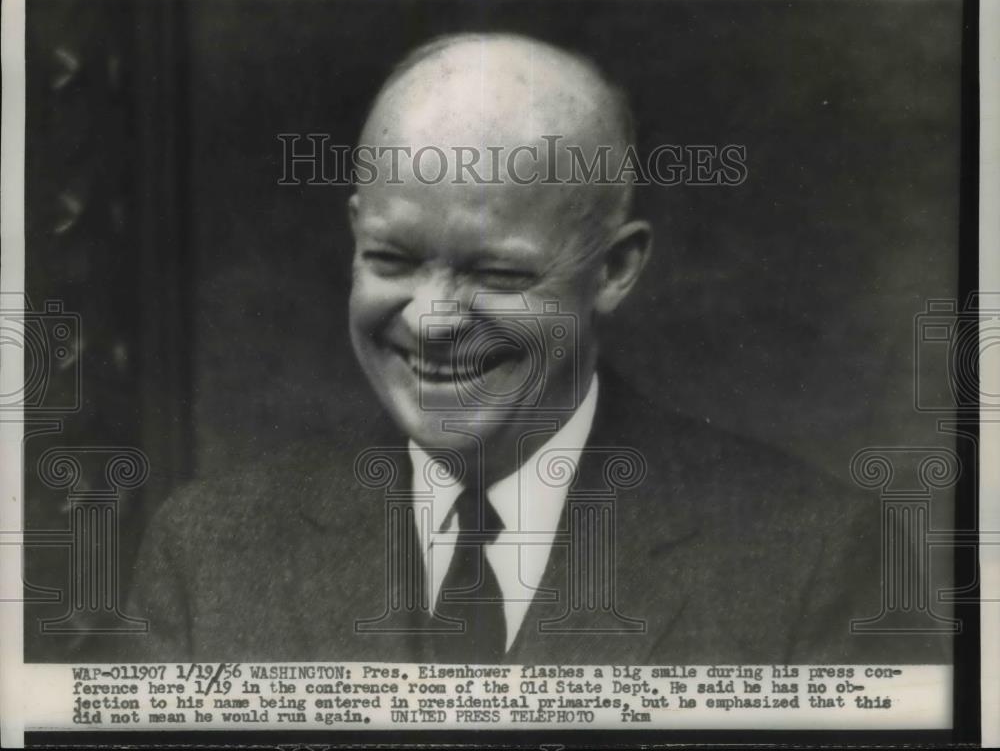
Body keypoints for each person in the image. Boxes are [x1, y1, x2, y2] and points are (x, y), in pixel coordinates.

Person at [126, 33, 945, 664]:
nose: (435, 319)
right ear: (353, 237)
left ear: (615, 269)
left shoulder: (815, 562)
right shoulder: (207, 557)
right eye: (393, 261)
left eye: (497, 272)